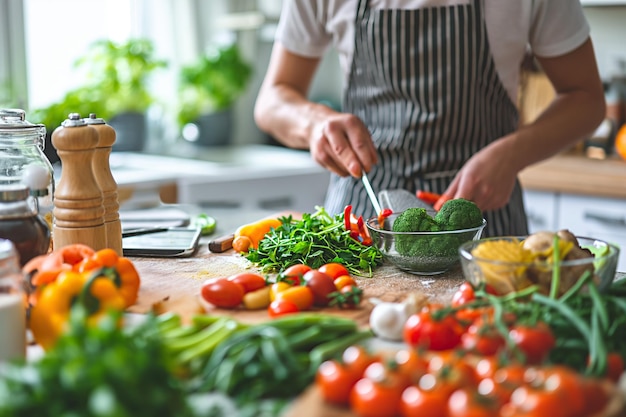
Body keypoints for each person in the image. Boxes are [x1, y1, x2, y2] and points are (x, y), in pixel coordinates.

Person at [253, 0, 606, 237]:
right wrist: (314, 123)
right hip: (364, 216)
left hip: (483, 223)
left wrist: (513, 154)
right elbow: (272, 99)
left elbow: (586, 99)